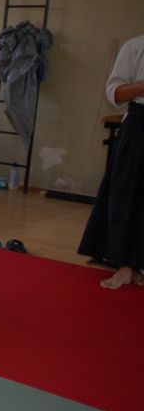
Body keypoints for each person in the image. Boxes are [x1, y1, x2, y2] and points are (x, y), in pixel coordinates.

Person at [77, 34, 144, 289]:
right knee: (126, 196)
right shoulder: (136, 47)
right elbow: (114, 93)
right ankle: (124, 265)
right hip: (139, 126)